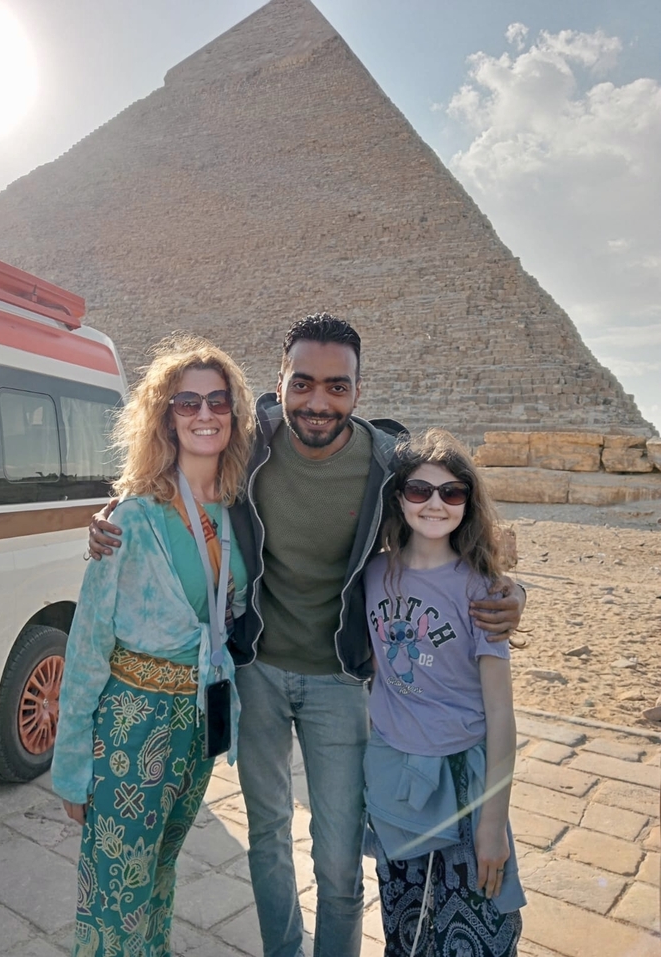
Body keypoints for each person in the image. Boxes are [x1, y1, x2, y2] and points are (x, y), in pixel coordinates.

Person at [89, 314, 526, 957]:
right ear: (279, 381)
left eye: (337, 387)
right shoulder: (247, 442)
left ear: (358, 389)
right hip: (257, 670)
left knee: (339, 852)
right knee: (267, 836)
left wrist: (511, 591)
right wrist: (109, 513)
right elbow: (174, 477)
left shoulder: (386, 463)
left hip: (341, 681)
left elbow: (454, 525)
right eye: (303, 384)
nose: (318, 402)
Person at [52, 335, 255, 957]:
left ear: (233, 413)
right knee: (114, 891)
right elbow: (86, 643)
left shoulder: (241, 512)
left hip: (195, 723)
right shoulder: (129, 521)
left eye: (217, 400)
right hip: (130, 727)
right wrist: (71, 763)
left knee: (161, 874)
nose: (203, 413)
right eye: (185, 401)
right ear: (165, 415)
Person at [363, 428, 525, 956]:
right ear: (397, 496)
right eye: (419, 490)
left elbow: (500, 713)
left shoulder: (481, 590)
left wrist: (493, 824)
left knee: (477, 934)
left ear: (467, 501)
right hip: (395, 782)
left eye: (452, 492)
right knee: (405, 932)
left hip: (464, 787)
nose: (435, 503)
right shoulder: (371, 574)